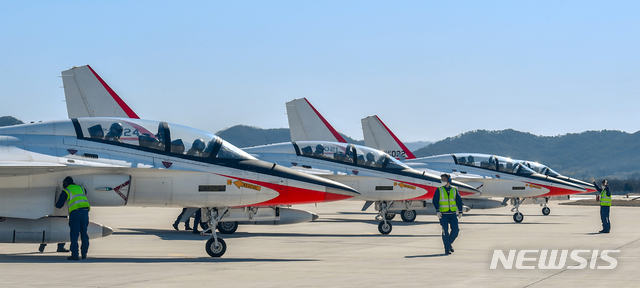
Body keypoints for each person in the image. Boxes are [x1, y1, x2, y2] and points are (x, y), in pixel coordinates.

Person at [56, 176, 91, 260]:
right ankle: (84, 253)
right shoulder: (81, 188)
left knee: (74, 234)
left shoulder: (66, 190)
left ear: (65, 183)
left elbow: (59, 205)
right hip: (85, 211)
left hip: (75, 213)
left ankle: (75, 254)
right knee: (84, 233)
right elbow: (84, 193)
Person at [432, 173, 463, 255]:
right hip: (443, 214)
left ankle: (449, 244)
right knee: (445, 232)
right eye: (442, 180)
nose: (443, 181)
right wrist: (437, 211)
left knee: (456, 230)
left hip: (452, 214)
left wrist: (460, 211)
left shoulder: (454, 189)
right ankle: (447, 249)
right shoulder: (439, 190)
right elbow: (435, 201)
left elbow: (459, 201)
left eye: (444, 180)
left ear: (449, 180)